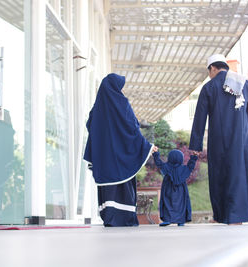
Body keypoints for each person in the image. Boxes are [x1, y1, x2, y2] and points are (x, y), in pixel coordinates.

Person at [189, 54, 248, 224]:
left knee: (221, 176)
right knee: (242, 175)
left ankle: (222, 216)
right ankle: (239, 216)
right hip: (243, 140)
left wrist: (196, 145)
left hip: (220, 141)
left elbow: (199, 118)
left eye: (209, 72)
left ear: (212, 68)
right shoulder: (244, 83)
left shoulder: (209, 87)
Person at [83, 73, 157, 226]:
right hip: (121, 156)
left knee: (107, 186)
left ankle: (109, 217)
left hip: (104, 158)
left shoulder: (97, 108)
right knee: (123, 184)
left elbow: (90, 126)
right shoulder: (121, 103)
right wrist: (146, 146)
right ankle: (123, 218)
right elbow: (132, 127)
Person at [152, 149, 198, 227]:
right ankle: (181, 220)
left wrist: (156, 153)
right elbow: (191, 166)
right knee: (181, 203)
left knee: (167, 202)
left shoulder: (166, 167)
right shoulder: (184, 169)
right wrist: (194, 156)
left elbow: (159, 163)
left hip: (168, 188)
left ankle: (167, 219)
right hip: (181, 189)